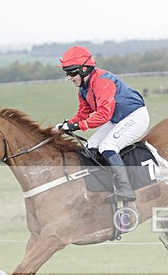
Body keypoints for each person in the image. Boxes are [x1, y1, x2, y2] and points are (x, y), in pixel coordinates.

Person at [54, 45, 149, 202]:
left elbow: (103, 115)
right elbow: (83, 114)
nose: (70, 77)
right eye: (67, 73)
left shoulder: (102, 81)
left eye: (72, 72)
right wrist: (67, 124)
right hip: (117, 119)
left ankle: (126, 189)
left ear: (84, 69)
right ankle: (106, 185)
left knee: (108, 146)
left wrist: (77, 126)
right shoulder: (83, 89)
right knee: (90, 147)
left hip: (135, 116)